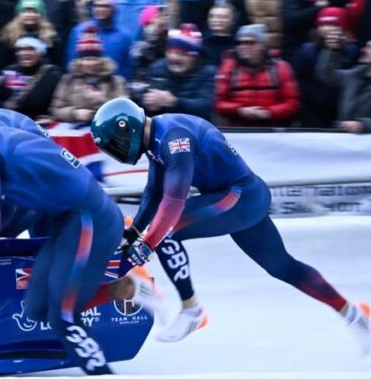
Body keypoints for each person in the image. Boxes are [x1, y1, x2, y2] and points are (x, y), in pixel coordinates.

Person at [90, 97, 371, 350]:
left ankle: (192, 310)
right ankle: (354, 314)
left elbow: (173, 202)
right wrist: (134, 232)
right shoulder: (158, 138)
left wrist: (146, 244)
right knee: (283, 267)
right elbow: (153, 192)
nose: (117, 152)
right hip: (240, 197)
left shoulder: (174, 139)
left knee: (168, 233)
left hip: (240, 196)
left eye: (115, 144)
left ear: (127, 130)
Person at [0, 125, 123, 375]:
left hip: (89, 219)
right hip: (68, 220)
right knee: (37, 307)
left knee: (62, 316)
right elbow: (2, 213)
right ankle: (121, 287)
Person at [214, 23, 299, 127]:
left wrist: (269, 113)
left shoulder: (281, 68)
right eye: (240, 43)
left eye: (250, 43)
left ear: (263, 45)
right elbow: (218, 103)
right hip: (237, 130)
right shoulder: (228, 67)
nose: (243, 47)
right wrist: (239, 110)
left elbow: (292, 103)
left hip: (272, 130)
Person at [139, 24, 215, 120]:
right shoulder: (157, 68)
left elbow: (205, 107)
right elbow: (142, 104)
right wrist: (148, 104)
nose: (173, 58)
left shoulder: (207, 73)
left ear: (194, 57)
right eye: (170, 52)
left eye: (181, 54)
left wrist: (174, 102)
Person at [0, 35, 62, 118]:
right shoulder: (9, 71)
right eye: (19, 49)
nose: (24, 53)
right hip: (10, 120)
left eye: (30, 49)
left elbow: (57, 105)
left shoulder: (53, 74)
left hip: (39, 123)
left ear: (40, 52)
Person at [316, 39, 371, 134]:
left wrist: (363, 125)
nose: (363, 50)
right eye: (366, 46)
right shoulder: (355, 74)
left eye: (370, 48)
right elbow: (327, 76)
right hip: (342, 136)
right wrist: (333, 51)